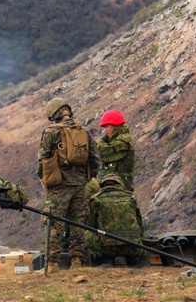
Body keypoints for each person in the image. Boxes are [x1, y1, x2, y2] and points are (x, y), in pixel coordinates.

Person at [36, 97, 100, 268]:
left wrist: (46, 179)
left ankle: (52, 264)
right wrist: (86, 178)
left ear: (54, 114)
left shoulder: (51, 132)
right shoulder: (84, 132)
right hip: (80, 186)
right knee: (78, 223)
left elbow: (42, 158)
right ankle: (77, 261)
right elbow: (95, 160)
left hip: (59, 186)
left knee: (54, 222)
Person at [84, 174, 147, 267]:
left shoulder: (96, 199)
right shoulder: (131, 198)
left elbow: (90, 224)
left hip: (107, 247)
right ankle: (126, 259)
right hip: (132, 246)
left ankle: (107, 260)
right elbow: (140, 225)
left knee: (87, 233)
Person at [97, 109, 136, 191]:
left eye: (107, 127)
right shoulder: (114, 140)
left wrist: (102, 140)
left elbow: (103, 153)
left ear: (116, 126)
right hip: (112, 187)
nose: (105, 130)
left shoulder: (122, 142)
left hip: (121, 189)